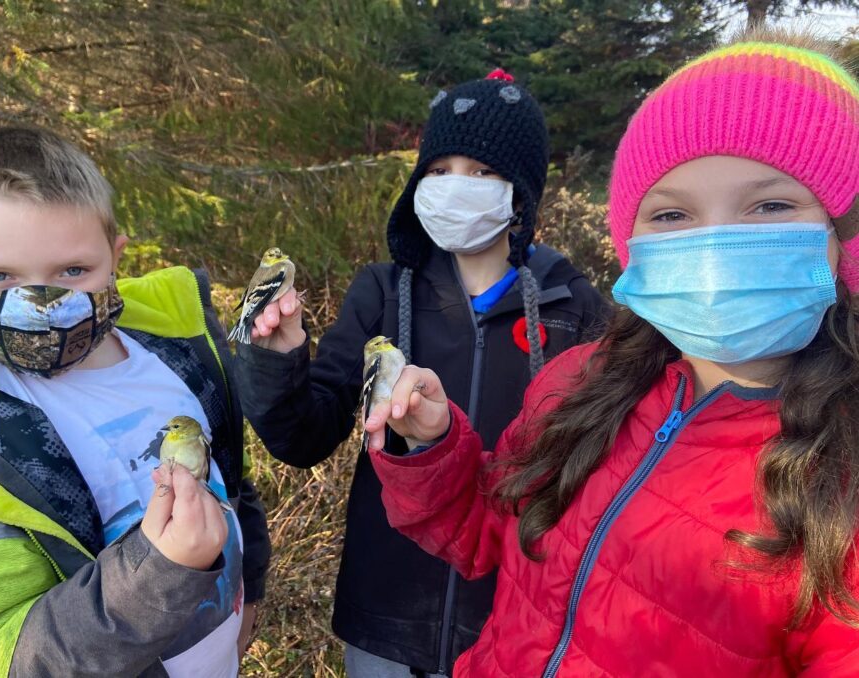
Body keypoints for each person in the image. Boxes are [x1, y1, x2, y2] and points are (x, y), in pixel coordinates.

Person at [364, 28, 859, 676]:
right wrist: (431, 446)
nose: (712, 245)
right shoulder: (582, 382)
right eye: (672, 215)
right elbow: (492, 529)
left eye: (770, 205)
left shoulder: (841, 479)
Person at [0, 125, 270, 677]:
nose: (42, 303)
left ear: (114, 257)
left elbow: (231, 483)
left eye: (73, 272)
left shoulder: (178, 351)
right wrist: (158, 572)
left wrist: (253, 591)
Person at [233, 70, 607, 676]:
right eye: (438, 171)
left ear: (521, 191)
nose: (455, 187)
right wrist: (277, 356)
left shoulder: (574, 308)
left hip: (515, 621)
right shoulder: (382, 292)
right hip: (385, 612)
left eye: (483, 172)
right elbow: (303, 437)